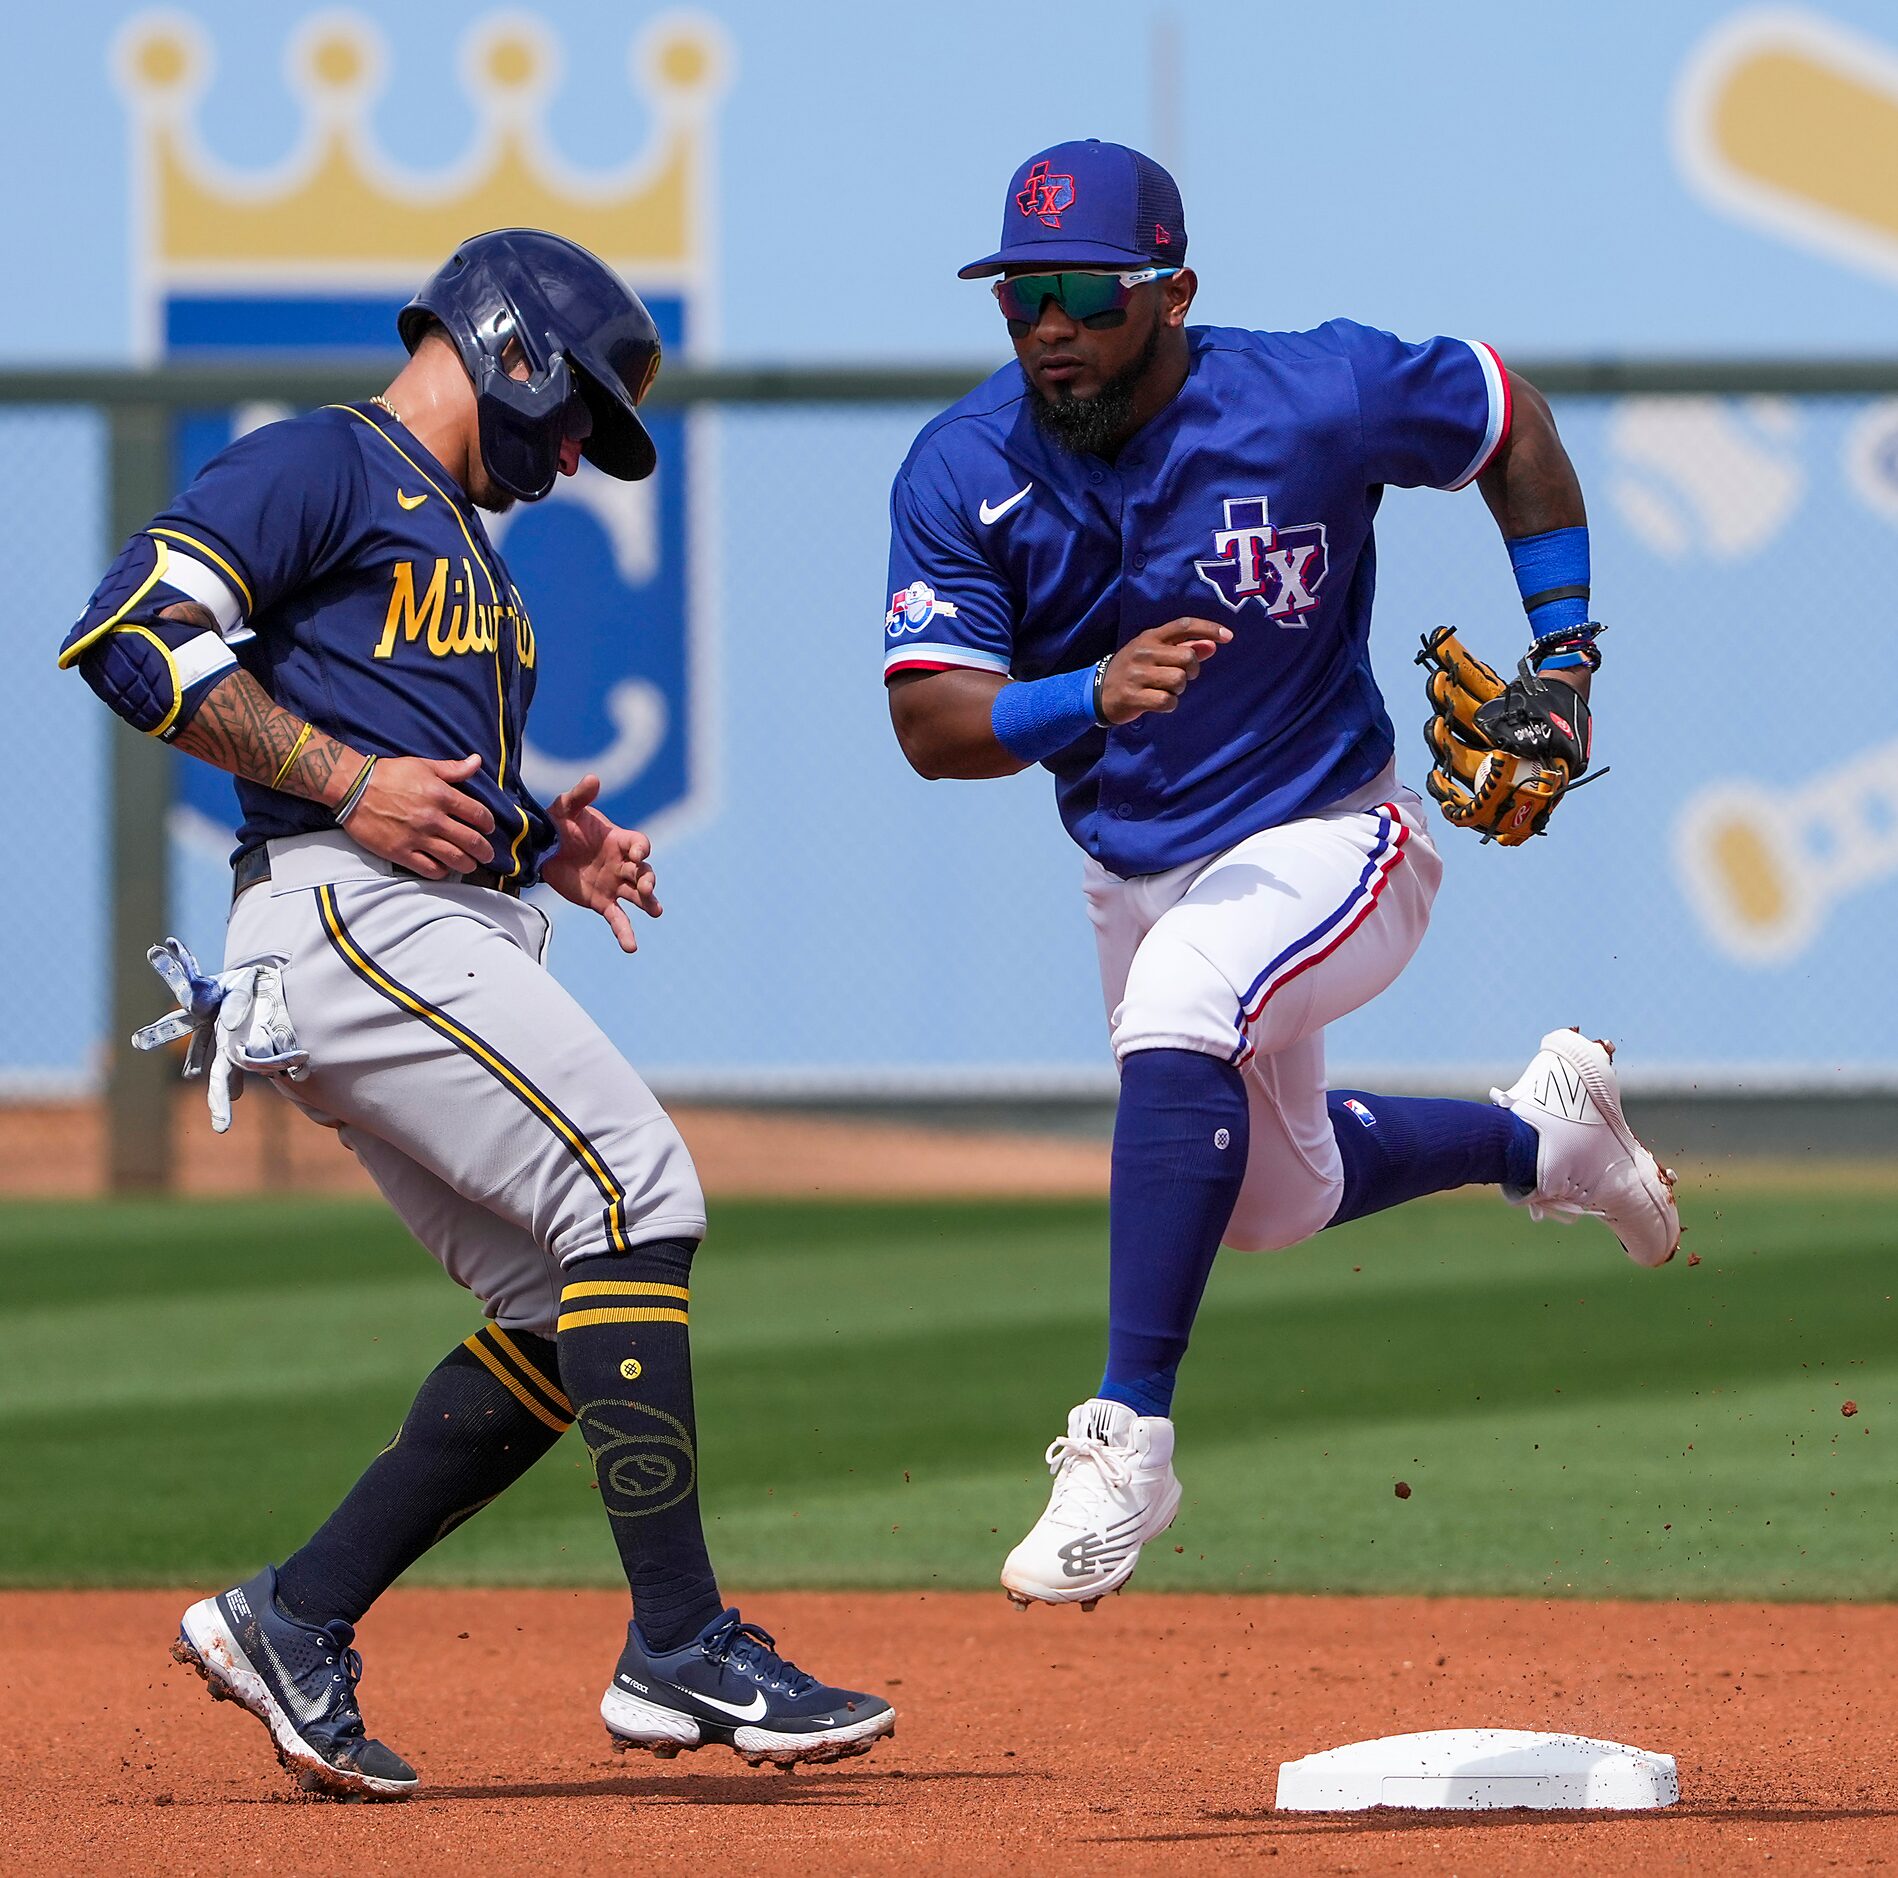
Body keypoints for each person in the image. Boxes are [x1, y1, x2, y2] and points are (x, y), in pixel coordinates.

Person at [61, 228, 893, 1795]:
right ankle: (679, 1643)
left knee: (549, 1302)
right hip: (345, 919)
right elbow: (129, 632)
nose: (578, 449)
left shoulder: (459, 539)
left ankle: (291, 1616)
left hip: (416, 920)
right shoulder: (326, 461)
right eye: (575, 408)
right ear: (506, 343)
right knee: (637, 1188)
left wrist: (543, 840)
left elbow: (416, 778)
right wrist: (343, 778)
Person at [882, 142, 1679, 1612]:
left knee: (1181, 1010)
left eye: (1081, 293)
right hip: (1136, 868)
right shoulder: (963, 465)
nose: (1046, 325)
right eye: (1018, 297)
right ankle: (1543, 1143)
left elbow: (1507, 418)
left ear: (1171, 290)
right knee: (1264, 1197)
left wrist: (1562, 657)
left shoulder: (1312, 393)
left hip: (1339, 838)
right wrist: (1082, 697)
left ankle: (1126, 1440)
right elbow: (930, 722)